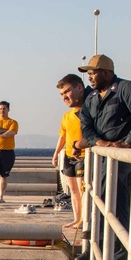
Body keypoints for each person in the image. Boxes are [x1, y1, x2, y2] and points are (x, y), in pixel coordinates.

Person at [78, 54, 131, 260]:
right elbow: (85, 125)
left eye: (93, 73)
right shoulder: (92, 98)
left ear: (106, 72)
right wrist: (98, 141)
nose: (90, 78)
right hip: (109, 156)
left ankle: (120, 253)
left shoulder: (127, 88)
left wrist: (128, 142)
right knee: (104, 199)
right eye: (88, 74)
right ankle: (100, 247)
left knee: (125, 204)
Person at [52, 74, 89, 229]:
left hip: (83, 156)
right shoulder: (66, 116)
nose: (64, 97)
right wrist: (56, 154)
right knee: (73, 190)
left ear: (79, 87)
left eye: (67, 92)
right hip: (68, 156)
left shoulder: (88, 112)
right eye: (61, 94)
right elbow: (63, 136)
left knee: (83, 191)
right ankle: (77, 218)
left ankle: (84, 220)